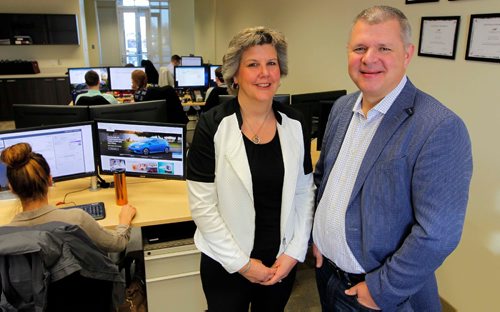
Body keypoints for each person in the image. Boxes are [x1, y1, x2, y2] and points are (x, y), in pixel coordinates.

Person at [312, 5, 473, 311]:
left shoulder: (439, 127)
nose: (369, 58)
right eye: (360, 48)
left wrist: (380, 290)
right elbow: (324, 180)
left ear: (407, 54)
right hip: (327, 274)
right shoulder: (342, 108)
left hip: (377, 295)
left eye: (383, 47)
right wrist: (318, 235)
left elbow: (437, 235)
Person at [187, 26, 315, 311]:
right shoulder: (212, 125)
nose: (264, 73)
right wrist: (242, 265)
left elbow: (304, 193)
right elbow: (203, 207)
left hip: (279, 263)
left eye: (271, 63)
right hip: (226, 263)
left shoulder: (294, 123)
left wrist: (294, 253)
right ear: (235, 75)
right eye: (253, 65)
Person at [1, 142, 137, 253]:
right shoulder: (76, 219)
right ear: (49, 180)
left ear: (11, 187)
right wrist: (124, 221)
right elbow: (118, 244)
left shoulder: (6, 234)